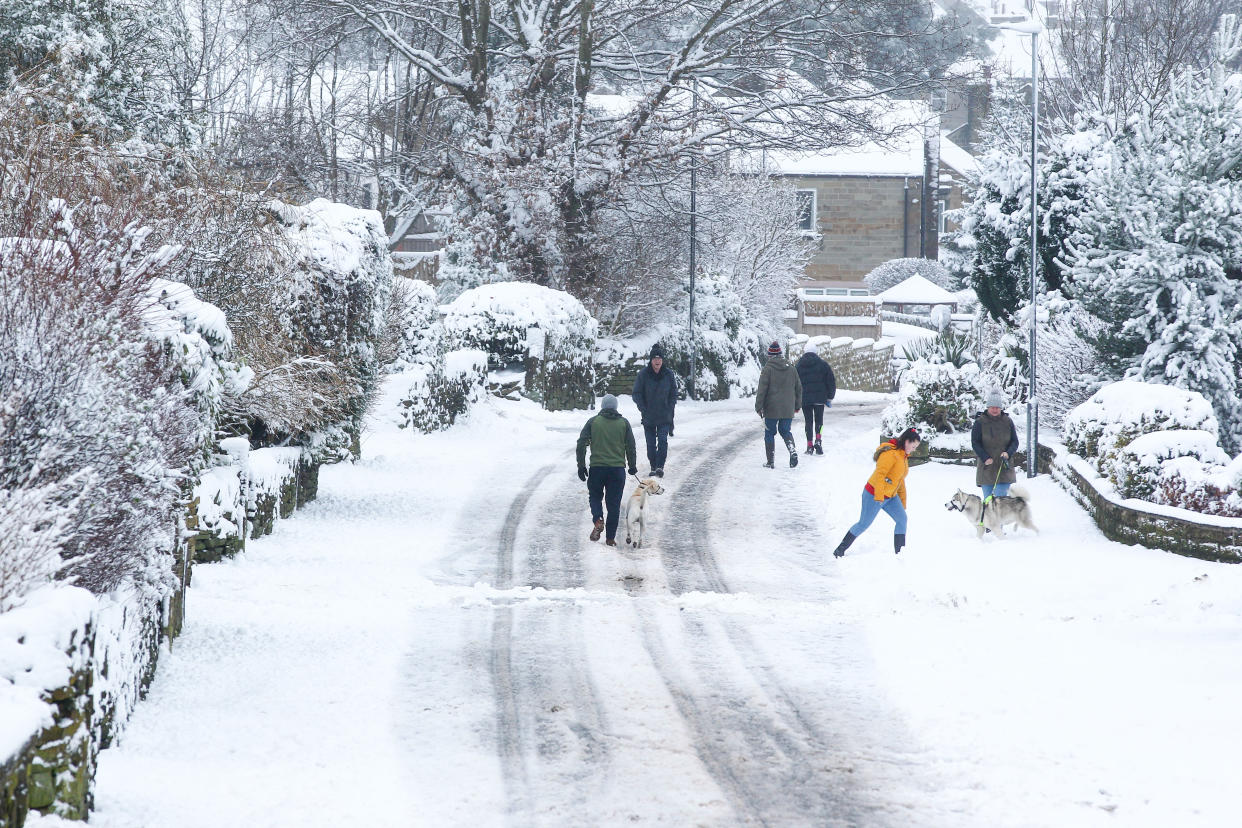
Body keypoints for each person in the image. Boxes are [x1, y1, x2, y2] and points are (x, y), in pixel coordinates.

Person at [831, 427, 921, 557]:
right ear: (907, 441)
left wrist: (902, 500)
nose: (914, 450)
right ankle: (839, 550)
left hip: (890, 496)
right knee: (863, 524)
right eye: (913, 446)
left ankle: (900, 554)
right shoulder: (890, 454)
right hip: (873, 494)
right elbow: (880, 474)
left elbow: (900, 480)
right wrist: (879, 496)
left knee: (902, 519)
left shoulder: (903, 456)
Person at [576, 394, 638, 546]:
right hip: (617, 470)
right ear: (616, 407)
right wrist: (632, 465)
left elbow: (581, 443)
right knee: (614, 504)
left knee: (595, 496)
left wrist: (581, 465)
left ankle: (598, 519)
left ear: (602, 406)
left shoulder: (593, 422)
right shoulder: (624, 423)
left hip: (597, 468)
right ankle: (610, 539)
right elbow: (631, 446)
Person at [755, 341, 803, 469]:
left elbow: (762, 390)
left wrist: (758, 407)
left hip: (771, 408)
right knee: (785, 431)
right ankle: (792, 450)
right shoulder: (791, 369)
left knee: (769, 433)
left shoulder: (768, 369)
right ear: (781, 354)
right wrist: (797, 405)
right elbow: (798, 388)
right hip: (788, 408)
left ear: (770, 355)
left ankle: (770, 462)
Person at [631, 344, 677, 477]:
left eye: (660, 359)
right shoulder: (643, 375)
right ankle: (653, 465)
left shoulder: (668, 374)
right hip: (649, 416)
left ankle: (660, 467)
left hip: (664, 415)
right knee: (650, 444)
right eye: (655, 359)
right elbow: (636, 393)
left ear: (662, 360)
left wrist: (670, 406)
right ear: (651, 360)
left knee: (663, 441)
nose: (657, 361)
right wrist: (643, 408)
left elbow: (674, 392)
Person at [972, 389, 1019, 500]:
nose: (995, 410)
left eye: (997, 407)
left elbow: (1015, 441)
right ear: (988, 407)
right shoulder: (980, 422)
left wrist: (1008, 453)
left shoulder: (1008, 421)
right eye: (992, 407)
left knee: (1000, 502)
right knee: (988, 503)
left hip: (1004, 467)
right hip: (986, 468)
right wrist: (985, 457)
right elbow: (975, 443)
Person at [795, 348, 836, 455]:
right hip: (819, 398)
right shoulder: (823, 365)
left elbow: (794, 383)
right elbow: (831, 381)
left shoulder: (799, 366)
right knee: (819, 421)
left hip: (805, 399)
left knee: (808, 422)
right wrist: (830, 397)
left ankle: (809, 445)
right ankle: (818, 440)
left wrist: (796, 399)